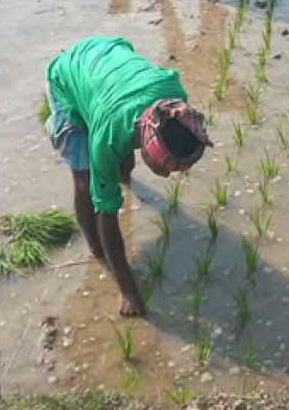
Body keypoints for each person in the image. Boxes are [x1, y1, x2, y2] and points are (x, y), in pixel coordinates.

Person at [44, 36, 212, 316]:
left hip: (110, 55)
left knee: (122, 162)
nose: (170, 175)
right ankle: (98, 251)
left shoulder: (176, 100)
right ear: (146, 145)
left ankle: (122, 175)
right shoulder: (108, 138)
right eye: (165, 168)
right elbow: (106, 212)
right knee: (86, 182)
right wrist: (128, 289)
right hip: (66, 76)